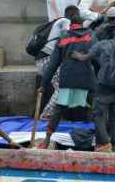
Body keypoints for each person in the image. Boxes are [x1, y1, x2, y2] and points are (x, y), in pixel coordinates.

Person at [72, 23, 115, 152]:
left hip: (104, 85)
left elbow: (86, 57)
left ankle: (105, 142)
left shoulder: (105, 44)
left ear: (114, 32)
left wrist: (77, 56)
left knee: (98, 115)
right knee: (114, 118)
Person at [39, 8, 96, 148]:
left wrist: (43, 84)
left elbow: (52, 65)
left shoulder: (63, 38)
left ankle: (46, 140)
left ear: (70, 25)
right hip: (86, 77)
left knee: (59, 109)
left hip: (68, 78)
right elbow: (98, 58)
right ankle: (101, 140)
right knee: (96, 108)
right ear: (83, 24)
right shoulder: (91, 35)